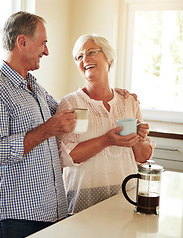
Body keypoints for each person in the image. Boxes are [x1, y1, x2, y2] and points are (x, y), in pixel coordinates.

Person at [0, 11, 77, 238]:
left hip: (51, 210)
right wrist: (47, 129)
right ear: (22, 42)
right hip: (18, 216)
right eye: (44, 43)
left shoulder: (34, 87)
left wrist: (112, 96)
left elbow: (66, 113)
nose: (46, 51)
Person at [56, 34, 155, 214]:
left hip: (126, 190)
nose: (85, 59)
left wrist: (139, 137)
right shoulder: (73, 104)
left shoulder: (129, 102)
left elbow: (142, 156)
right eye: (79, 56)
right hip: (83, 195)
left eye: (91, 52)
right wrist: (106, 140)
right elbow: (69, 157)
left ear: (109, 59)